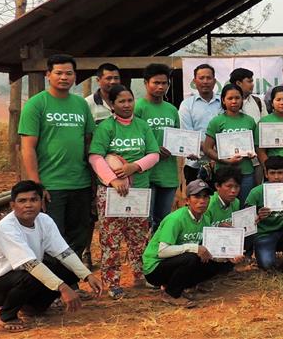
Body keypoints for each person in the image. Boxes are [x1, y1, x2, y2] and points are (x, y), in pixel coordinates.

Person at [0, 181, 103, 332]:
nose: (28, 205)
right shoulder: (6, 228)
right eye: (22, 201)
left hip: (25, 276)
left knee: (69, 269)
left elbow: (64, 252)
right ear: (12, 205)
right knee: (31, 274)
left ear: (41, 202)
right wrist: (63, 288)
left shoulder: (45, 220)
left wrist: (87, 275)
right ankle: (7, 315)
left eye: (33, 200)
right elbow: (30, 265)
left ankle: (34, 306)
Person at [18, 54, 96, 268]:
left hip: (80, 183)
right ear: (48, 75)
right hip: (51, 185)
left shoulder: (80, 104)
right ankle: (53, 283)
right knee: (52, 238)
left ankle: (71, 280)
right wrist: (37, 185)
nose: (64, 77)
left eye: (68, 73)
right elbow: (27, 147)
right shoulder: (36, 104)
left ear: (75, 76)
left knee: (78, 236)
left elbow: (89, 142)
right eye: (58, 73)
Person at [88, 84, 160, 299]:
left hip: (139, 190)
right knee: (111, 239)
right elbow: (95, 157)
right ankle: (112, 282)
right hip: (112, 193)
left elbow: (154, 154)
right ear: (112, 104)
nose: (127, 105)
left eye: (130, 100)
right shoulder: (106, 127)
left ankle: (142, 275)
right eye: (121, 101)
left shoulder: (142, 126)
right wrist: (112, 180)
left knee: (139, 237)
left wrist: (134, 167)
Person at [143, 180, 243, 308]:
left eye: (206, 197)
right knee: (192, 257)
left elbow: (209, 251)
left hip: (175, 262)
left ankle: (180, 286)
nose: (202, 201)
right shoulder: (176, 219)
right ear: (187, 200)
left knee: (216, 265)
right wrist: (193, 247)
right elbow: (162, 251)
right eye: (197, 197)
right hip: (155, 268)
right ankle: (171, 294)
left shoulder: (205, 219)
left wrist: (228, 258)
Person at [134, 63, 182, 231]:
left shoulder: (172, 110)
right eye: (156, 82)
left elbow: (179, 138)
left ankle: (159, 248)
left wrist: (186, 149)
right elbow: (132, 138)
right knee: (144, 221)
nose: (161, 87)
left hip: (168, 174)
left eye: (164, 83)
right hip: (145, 174)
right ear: (146, 83)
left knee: (163, 222)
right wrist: (153, 149)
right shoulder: (138, 108)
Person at [204, 83, 259, 202]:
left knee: (245, 206)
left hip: (246, 172)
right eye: (230, 98)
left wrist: (252, 153)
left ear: (242, 99)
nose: (234, 101)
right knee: (225, 207)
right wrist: (226, 161)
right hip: (224, 173)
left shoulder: (249, 121)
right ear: (223, 100)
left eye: (237, 98)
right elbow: (207, 148)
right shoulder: (216, 121)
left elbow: (255, 146)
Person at [179, 63, 222, 183]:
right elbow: (187, 134)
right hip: (195, 164)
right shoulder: (186, 105)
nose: (205, 81)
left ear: (214, 81)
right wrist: (212, 151)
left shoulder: (223, 102)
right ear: (194, 81)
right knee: (196, 195)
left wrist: (219, 155)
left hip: (222, 164)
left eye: (209, 78)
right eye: (201, 78)